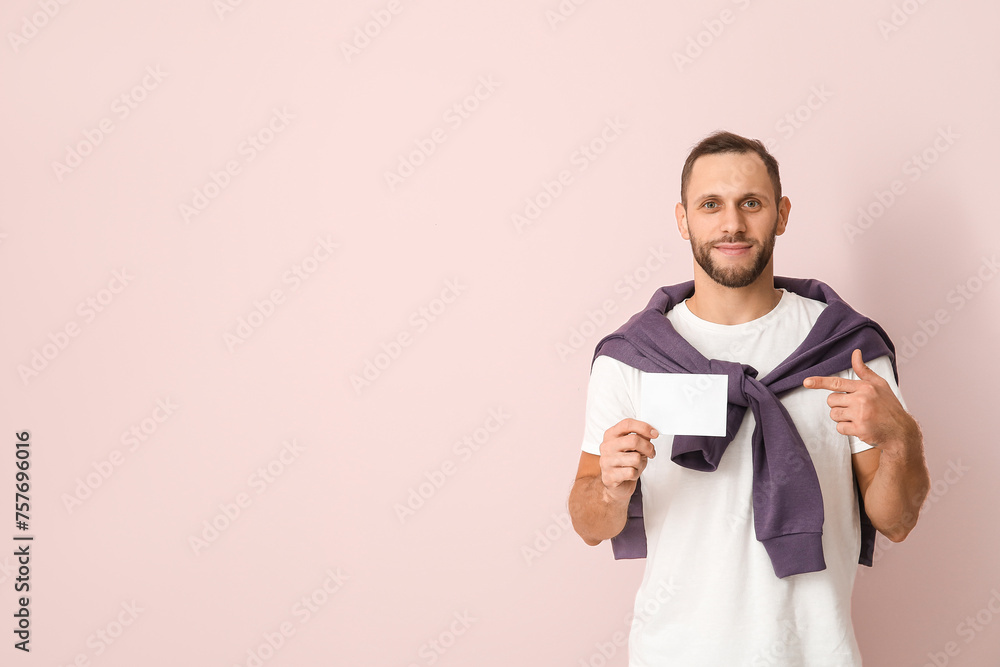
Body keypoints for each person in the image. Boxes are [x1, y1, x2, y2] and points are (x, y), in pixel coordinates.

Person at [567, 130, 931, 665]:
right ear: (682, 218)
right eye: (711, 204)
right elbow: (588, 523)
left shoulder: (845, 352)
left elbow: (896, 522)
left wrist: (901, 437)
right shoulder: (633, 357)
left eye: (751, 203)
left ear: (781, 214)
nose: (732, 223)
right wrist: (612, 489)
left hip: (817, 654)